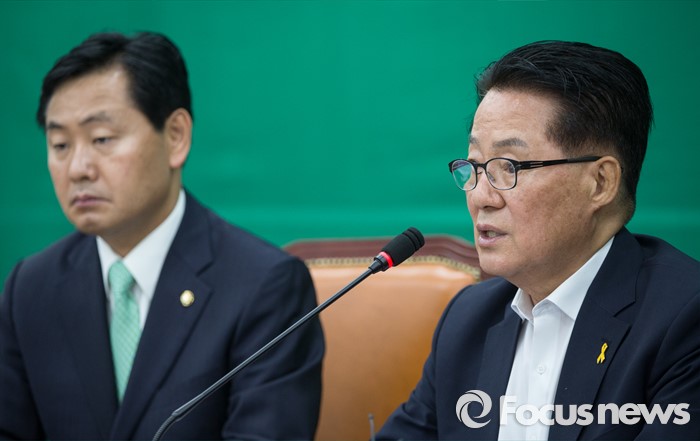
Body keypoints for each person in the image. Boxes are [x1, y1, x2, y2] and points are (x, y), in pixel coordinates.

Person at [0, 31, 324, 440]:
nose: (78, 168)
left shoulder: (264, 287)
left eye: (101, 139)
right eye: (60, 144)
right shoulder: (31, 288)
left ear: (175, 137)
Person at [377, 40, 700, 440]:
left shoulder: (684, 321)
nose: (480, 197)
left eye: (509, 167)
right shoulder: (468, 320)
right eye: (474, 165)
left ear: (600, 182)